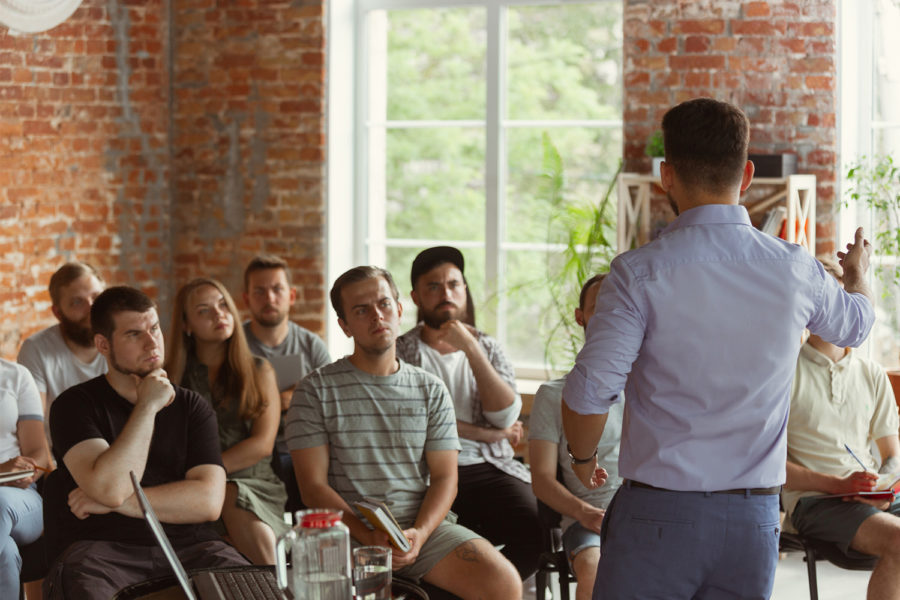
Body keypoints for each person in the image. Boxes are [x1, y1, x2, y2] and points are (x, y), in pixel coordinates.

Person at [561, 97, 876, 599]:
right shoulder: (794, 268)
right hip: (751, 522)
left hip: (657, 515)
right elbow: (856, 326)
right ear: (747, 174)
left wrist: (581, 461)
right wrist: (858, 276)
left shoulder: (637, 273)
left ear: (666, 175)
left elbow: (587, 394)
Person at [286, 266, 522, 599]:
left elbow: (445, 479)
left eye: (384, 305)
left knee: (505, 583)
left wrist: (420, 534)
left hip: (421, 529)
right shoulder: (315, 390)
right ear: (344, 325)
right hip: (347, 532)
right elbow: (313, 488)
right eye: (360, 310)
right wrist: (369, 537)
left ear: (398, 311)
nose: (376, 316)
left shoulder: (431, 389)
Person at [44, 286, 247, 600]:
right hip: (102, 553)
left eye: (154, 328)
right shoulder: (74, 406)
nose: (152, 342)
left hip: (192, 547)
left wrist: (117, 503)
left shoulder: (192, 407)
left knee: (253, 590)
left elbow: (208, 502)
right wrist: (147, 407)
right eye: (134, 334)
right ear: (103, 344)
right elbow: (112, 487)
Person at [395, 246, 541, 580]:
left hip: (486, 466)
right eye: (433, 286)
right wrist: (491, 433)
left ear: (464, 290)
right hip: (425, 470)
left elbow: (505, 417)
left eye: (453, 284)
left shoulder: (488, 347)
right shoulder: (400, 351)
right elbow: (415, 422)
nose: (445, 293)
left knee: (537, 529)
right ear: (416, 297)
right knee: (419, 538)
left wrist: (472, 349)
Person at [783, 257, 900, 600]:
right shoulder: (784, 372)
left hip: (874, 498)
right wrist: (839, 484)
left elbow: (892, 454)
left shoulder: (871, 373)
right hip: (816, 502)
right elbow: (767, 465)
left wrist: (883, 484)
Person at [166, 277, 289, 565]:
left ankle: (274, 588)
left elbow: (262, 445)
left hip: (253, 481)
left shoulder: (259, 369)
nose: (219, 314)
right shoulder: (171, 377)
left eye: (223, 305)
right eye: (204, 310)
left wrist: (208, 474)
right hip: (192, 485)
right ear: (186, 325)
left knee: (233, 493)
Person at [529, 274, 623, 600]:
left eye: (619, 308)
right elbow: (541, 480)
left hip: (647, 517)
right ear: (580, 317)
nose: (612, 317)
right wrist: (587, 514)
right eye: (601, 308)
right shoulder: (552, 395)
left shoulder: (650, 391)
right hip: (587, 526)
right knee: (596, 575)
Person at [242, 254, 330, 513]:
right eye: (259, 291)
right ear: (246, 299)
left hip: (303, 446)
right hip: (254, 447)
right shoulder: (236, 346)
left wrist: (296, 400)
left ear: (291, 296)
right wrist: (273, 402)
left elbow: (331, 405)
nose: (269, 299)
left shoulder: (311, 345)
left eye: (277, 290)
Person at [17, 261, 106, 426]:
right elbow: (33, 424)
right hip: (61, 451)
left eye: (96, 297)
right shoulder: (36, 349)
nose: (91, 308)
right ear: (58, 312)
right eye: (77, 302)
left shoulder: (123, 341)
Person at [0, 358, 52, 599]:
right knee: (6, 552)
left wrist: (24, 470)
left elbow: (39, 453)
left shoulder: (16, 376)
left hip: (20, 498)